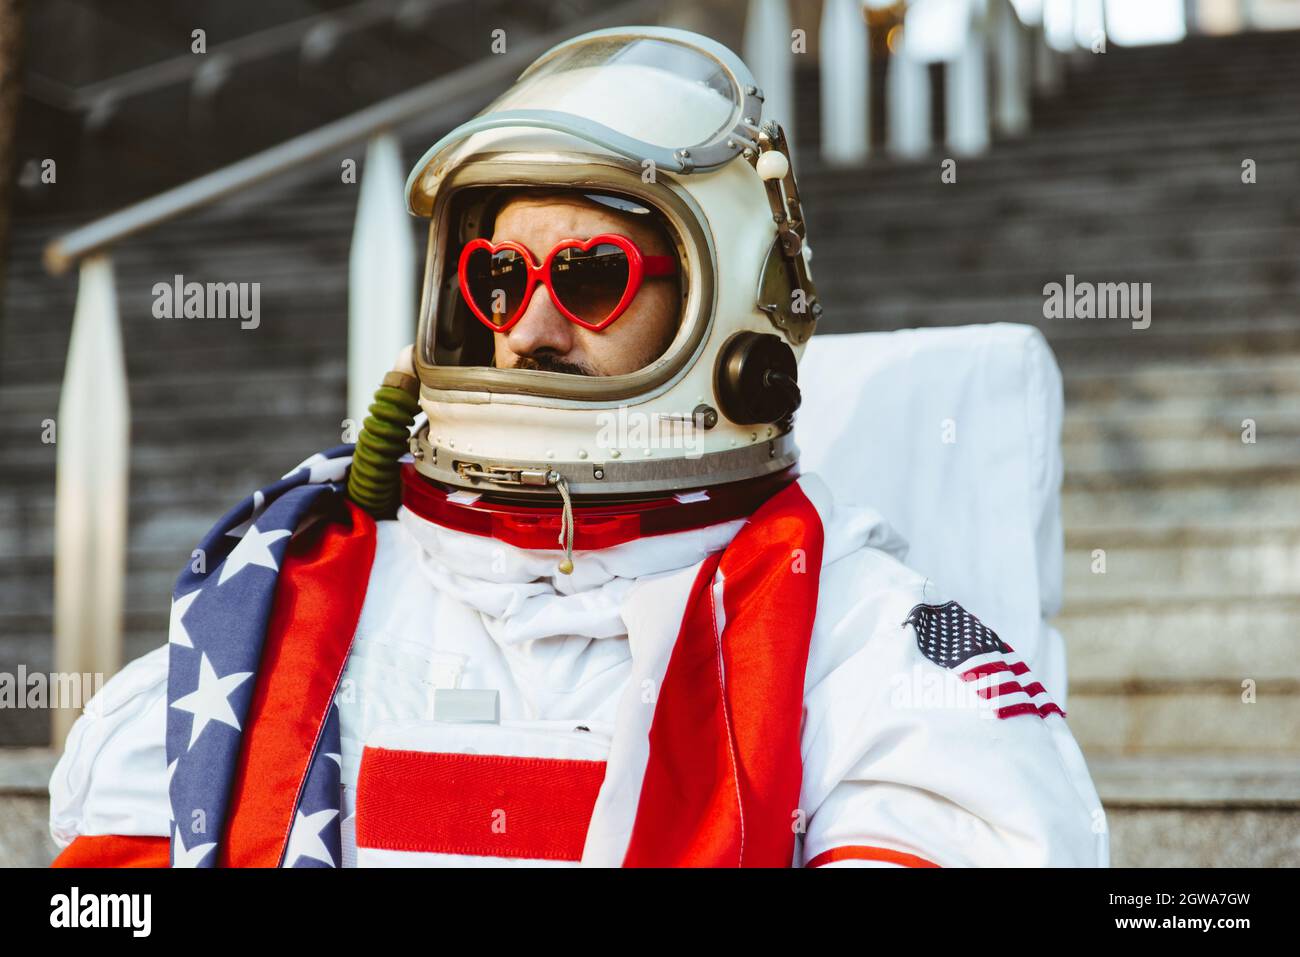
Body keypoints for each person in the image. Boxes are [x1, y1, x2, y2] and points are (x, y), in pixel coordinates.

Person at [48, 26, 1107, 868]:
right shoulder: (279, 607)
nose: (530, 330)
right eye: (498, 279)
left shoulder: (860, 640)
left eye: (591, 277)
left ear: (727, 304)